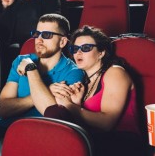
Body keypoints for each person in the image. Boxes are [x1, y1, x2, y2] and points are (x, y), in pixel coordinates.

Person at [0, 14, 84, 156]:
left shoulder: (73, 73)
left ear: (62, 42)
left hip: (36, 137)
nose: (39, 40)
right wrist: (46, 92)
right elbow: (4, 109)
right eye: (36, 34)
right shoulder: (21, 60)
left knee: (0, 151)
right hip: (1, 128)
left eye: (47, 34)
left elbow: (53, 114)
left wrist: (31, 70)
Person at [43, 26, 144, 156]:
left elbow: (107, 123)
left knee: (56, 116)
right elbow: (83, 118)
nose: (78, 53)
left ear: (101, 53)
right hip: (93, 138)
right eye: (75, 49)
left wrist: (70, 106)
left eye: (85, 48)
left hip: (121, 141)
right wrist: (76, 103)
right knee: (54, 113)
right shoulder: (85, 80)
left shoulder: (115, 72)